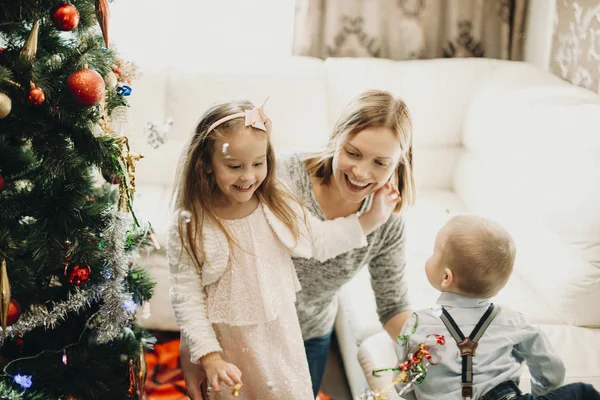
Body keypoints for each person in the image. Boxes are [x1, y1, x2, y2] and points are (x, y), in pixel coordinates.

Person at [180, 89, 416, 398]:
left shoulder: (388, 222)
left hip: (307, 338)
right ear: (336, 137)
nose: (361, 172)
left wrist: (427, 345)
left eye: (381, 163)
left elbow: (393, 305)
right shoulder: (279, 179)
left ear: (399, 163)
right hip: (242, 335)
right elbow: (204, 267)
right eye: (353, 153)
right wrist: (196, 349)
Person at [393, 215, 600, 400]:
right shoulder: (512, 321)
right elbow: (551, 369)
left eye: (433, 252)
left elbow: (403, 383)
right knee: (583, 392)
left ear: (446, 277)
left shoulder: (417, 324)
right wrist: (541, 394)